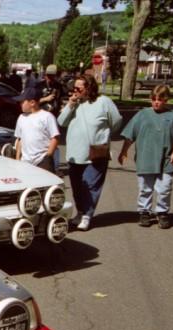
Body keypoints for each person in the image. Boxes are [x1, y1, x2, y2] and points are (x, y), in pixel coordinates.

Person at [58, 73, 122, 231]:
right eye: (74, 88)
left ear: (89, 87)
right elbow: (61, 122)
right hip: (75, 153)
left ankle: (87, 215)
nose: (76, 90)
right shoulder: (74, 104)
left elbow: (116, 122)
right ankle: (80, 212)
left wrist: (103, 136)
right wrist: (70, 104)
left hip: (96, 153)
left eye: (79, 87)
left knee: (91, 186)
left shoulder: (103, 102)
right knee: (77, 186)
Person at [117, 85, 173, 229]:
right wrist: (124, 151)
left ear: (166, 100)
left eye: (160, 100)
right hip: (145, 158)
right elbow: (130, 135)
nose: (156, 102)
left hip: (166, 159)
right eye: (153, 99)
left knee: (165, 188)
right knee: (145, 188)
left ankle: (162, 212)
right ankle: (144, 212)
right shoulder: (142, 115)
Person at [14, 85, 60, 173]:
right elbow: (20, 140)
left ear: (32, 103)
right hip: (25, 162)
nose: (20, 104)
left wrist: (48, 156)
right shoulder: (21, 117)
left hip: (42, 161)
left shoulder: (47, 116)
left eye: (22, 102)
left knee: (44, 186)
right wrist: (17, 158)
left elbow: (55, 137)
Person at [39, 64, 65, 171]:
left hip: (54, 116)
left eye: (52, 76)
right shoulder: (39, 85)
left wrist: (62, 107)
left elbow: (62, 99)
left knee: (55, 140)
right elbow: (34, 101)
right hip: (41, 117)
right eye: (48, 76)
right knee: (43, 141)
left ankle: (55, 167)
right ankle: (43, 164)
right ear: (45, 75)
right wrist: (46, 98)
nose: (50, 78)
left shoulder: (58, 86)